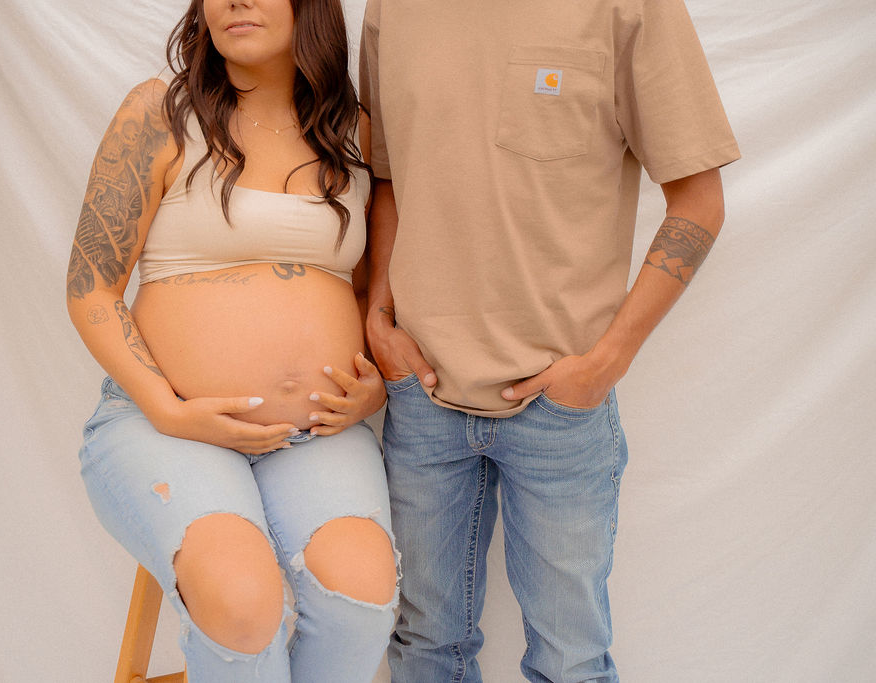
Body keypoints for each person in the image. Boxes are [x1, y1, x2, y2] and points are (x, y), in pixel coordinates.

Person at [359, 0, 740, 681]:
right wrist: (378, 314)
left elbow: (698, 200)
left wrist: (604, 362)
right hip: (422, 394)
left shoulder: (633, 6)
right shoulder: (393, 8)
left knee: (570, 663)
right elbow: (387, 175)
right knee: (422, 647)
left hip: (559, 409)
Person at [66, 0, 398, 679]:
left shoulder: (355, 135)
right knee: (243, 600)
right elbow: (90, 289)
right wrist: (166, 406)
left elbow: (369, 294)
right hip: (164, 426)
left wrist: (374, 382)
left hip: (317, 434)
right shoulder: (160, 114)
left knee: (362, 592)